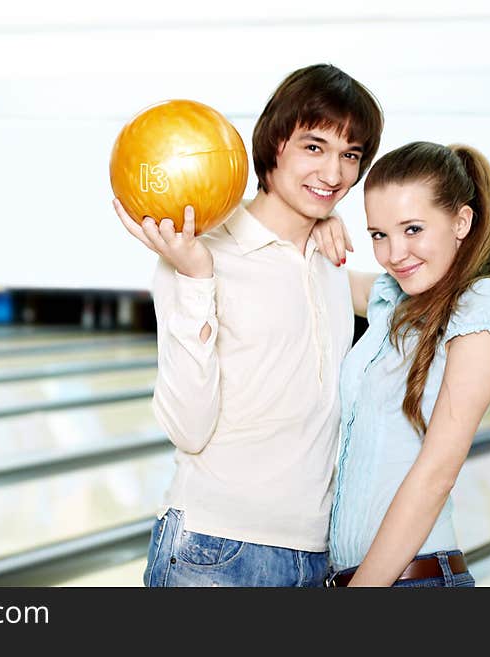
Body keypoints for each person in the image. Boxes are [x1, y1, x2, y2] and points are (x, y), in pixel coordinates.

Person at [113, 64, 383, 586]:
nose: (334, 174)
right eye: (314, 147)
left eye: (350, 155)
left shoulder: (329, 254)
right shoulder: (203, 254)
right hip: (215, 549)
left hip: (314, 553)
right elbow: (186, 429)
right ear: (274, 143)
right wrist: (195, 278)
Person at [315, 141, 490, 587]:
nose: (394, 253)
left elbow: (436, 472)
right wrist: (317, 224)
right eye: (378, 235)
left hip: (414, 582)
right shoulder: (394, 298)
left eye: (412, 229)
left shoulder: (483, 302)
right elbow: (313, 274)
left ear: (461, 221)